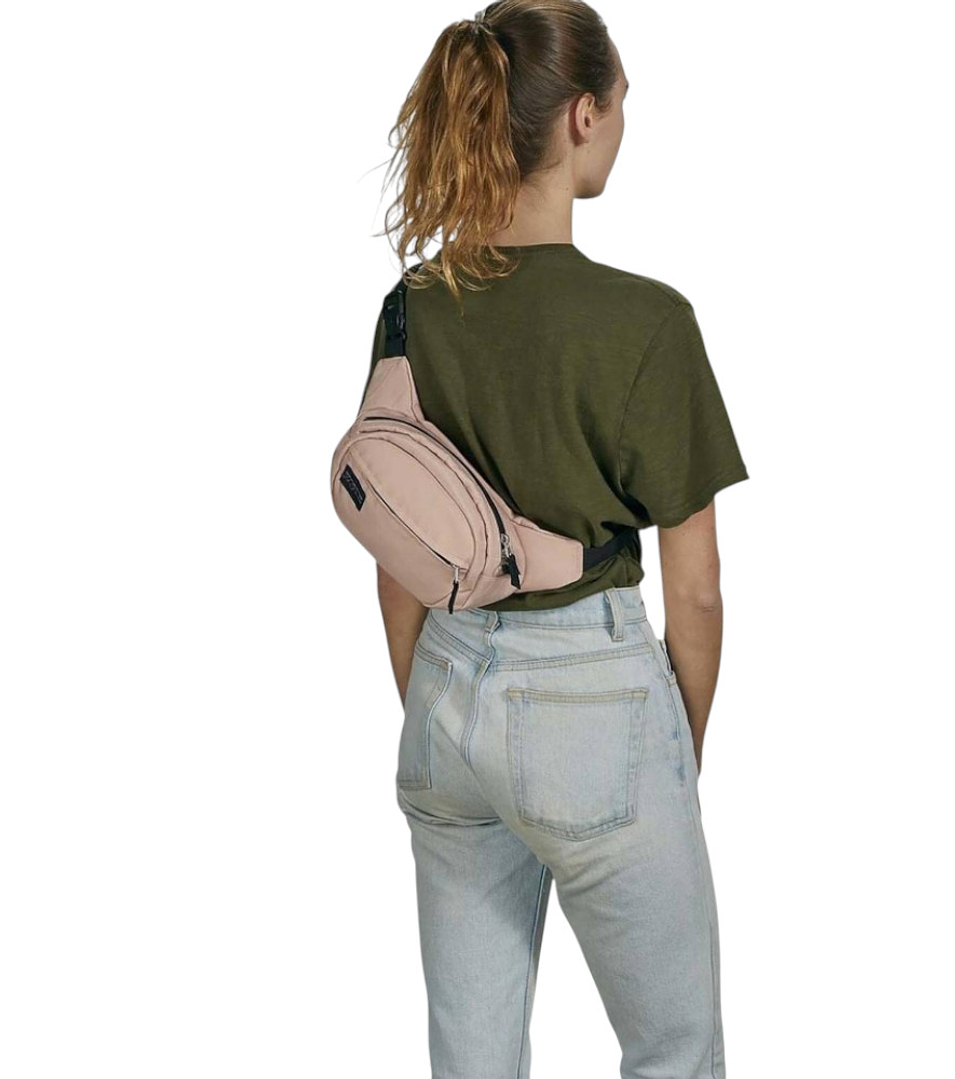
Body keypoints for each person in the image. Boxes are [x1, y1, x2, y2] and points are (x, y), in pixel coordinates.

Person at [364, 2, 748, 1076]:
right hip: (596, 708)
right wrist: (670, 752)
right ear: (582, 116)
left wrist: (443, 704)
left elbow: (398, 559)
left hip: (444, 698)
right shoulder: (646, 323)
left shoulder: (412, 308)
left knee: (472, 1058)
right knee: (673, 1047)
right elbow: (697, 590)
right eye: (619, 104)